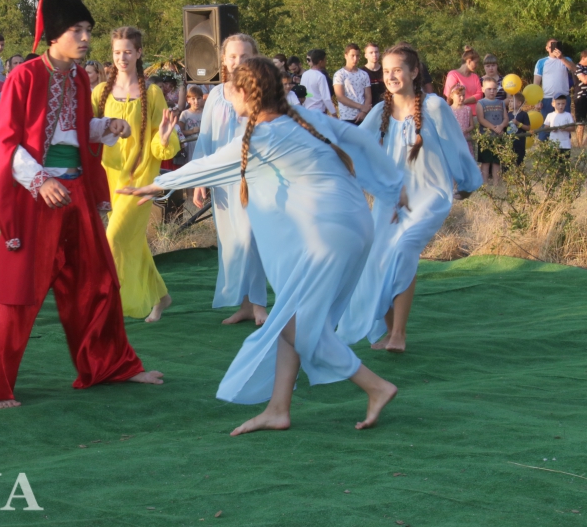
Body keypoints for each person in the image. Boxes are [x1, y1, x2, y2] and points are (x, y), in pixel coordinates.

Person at [119, 58, 405, 432]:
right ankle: (278, 409)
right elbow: (360, 141)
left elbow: (208, 165)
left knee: (295, 324)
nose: (226, 96)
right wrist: (392, 188)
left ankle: (375, 386)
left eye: (230, 90)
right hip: (352, 225)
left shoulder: (264, 137)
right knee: (291, 313)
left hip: (329, 234)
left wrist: (156, 184)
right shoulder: (303, 119)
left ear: (245, 93)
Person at [0, 0, 163, 408]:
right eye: (76, 30)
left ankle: (110, 365)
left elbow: (74, 131)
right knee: (21, 293)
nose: (85, 38)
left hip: (76, 193)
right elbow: (6, 142)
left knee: (98, 281)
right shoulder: (25, 76)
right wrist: (39, 181)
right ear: (53, 35)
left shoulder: (80, 77)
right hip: (36, 198)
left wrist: (105, 127)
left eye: (87, 30)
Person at [337, 44, 482, 353]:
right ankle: (389, 333)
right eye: (386, 71)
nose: (391, 76)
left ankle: (399, 334)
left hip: (430, 194)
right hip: (393, 198)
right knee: (379, 259)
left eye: (398, 70)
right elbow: (352, 143)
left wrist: (467, 181)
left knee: (403, 249)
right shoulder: (381, 110)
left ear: (414, 72)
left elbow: (456, 146)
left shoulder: (434, 106)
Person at [93, 26, 180, 322]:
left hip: (140, 179)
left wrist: (164, 137)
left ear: (139, 53)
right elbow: (86, 132)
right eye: (117, 52)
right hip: (110, 178)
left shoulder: (152, 94)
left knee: (114, 239)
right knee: (134, 242)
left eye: (128, 51)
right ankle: (161, 297)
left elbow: (159, 145)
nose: (122, 57)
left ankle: (108, 304)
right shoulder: (100, 93)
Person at [193, 33, 268, 326]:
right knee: (233, 242)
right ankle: (245, 305)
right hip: (222, 182)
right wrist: (200, 178)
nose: (238, 62)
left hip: (253, 178)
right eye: (232, 56)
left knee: (252, 238)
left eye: (244, 56)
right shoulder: (215, 95)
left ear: (254, 58)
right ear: (223, 60)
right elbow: (205, 138)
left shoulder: (263, 91)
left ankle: (259, 304)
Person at [534, 38, 575, 141]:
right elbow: (536, 82)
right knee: (545, 128)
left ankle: (563, 149)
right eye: (551, 46)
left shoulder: (566, 59)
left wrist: (561, 58)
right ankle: (544, 148)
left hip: (563, 98)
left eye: (557, 46)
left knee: (565, 126)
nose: (554, 48)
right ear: (547, 48)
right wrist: (537, 100)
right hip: (547, 99)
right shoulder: (541, 62)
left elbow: (574, 70)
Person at [476, 77, 507, 185]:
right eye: (489, 89)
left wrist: (501, 126)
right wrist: (495, 128)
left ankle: (496, 183)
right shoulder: (481, 103)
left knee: (496, 161)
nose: (492, 91)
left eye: (494, 89)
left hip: (498, 137)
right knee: (485, 162)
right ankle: (484, 184)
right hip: (485, 137)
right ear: (483, 89)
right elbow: (481, 119)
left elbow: (506, 118)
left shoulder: (501, 103)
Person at [333, 43, 372, 125]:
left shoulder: (364, 74)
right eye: (352, 55)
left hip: (363, 116)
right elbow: (340, 97)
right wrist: (361, 106)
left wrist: (364, 112)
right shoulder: (339, 74)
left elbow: (368, 95)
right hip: (347, 117)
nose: (355, 58)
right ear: (346, 56)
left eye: (357, 56)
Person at [442, 46, 482, 116]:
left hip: (475, 114)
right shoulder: (453, 75)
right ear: (469, 61)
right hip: (458, 114)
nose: (477, 65)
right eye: (476, 63)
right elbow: (450, 96)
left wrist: (464, 101)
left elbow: (480, 94)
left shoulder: (475, 76)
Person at [300, 49, 336, 115]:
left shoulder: (305, 74)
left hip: (306, 111)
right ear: (320, 62)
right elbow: (326, 98)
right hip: (318, 111)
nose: (326, 62)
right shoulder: (320, 76)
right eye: (325, 60)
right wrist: (333, 113)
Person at [449, 83, 476, 159]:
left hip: (465, 139)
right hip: (453, 139)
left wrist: (466, 130)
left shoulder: (467, 109)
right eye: (459, 95)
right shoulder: (448, 110)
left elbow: (472, 125)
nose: (462, 98)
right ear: (452, 96)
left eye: (463, 95)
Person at [179, 85, 205, 162]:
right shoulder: (185, 114)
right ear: (188, 100)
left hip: (203, 143)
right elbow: (180, 131)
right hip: (190, 144)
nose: (196, 101)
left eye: (198, 98)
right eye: (193, 99)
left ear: (202, 99)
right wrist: (191, 131)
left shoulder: (205, 112)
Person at [506, 93, 530, 166]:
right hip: (509, 143)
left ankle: (519, 172)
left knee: (519, 162)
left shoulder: (524, 114)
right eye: (509, 101)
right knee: (508, 162)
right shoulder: (508, 114)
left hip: (520, 143)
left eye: (512, 101)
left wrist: (518, 123)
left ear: (519, 103)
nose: (510, 103)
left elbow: (528, 127)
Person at [575, 50, 587, 124]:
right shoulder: (577, 67)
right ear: (583, 58)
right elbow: (585, 80)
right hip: (581, 97)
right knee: (581, 123)